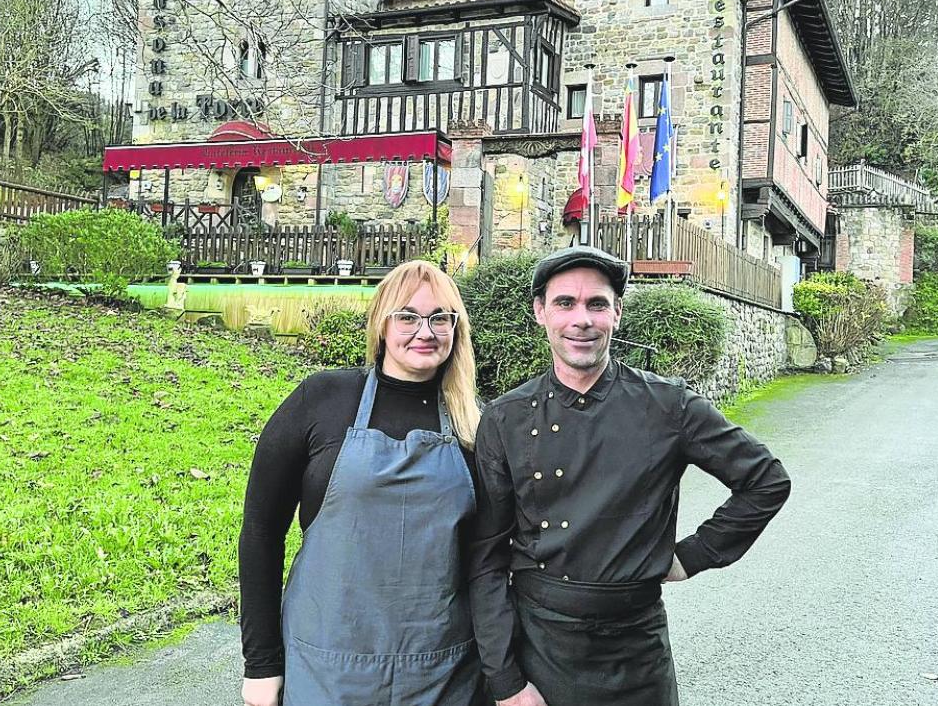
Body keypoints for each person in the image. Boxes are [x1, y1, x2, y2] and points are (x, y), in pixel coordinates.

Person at [468, 245, 792, 706]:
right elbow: (485, 557)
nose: (582, 319)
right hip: (541, 646)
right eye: (565, 303)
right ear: (540, 312)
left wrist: (694, 555)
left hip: (637, 652)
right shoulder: (506, 417)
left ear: (617, 314)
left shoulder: (668, 405)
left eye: (596, 304)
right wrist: (506, 681)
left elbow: (765, 480)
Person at [239, 260, 487, 706]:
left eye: (440, 317)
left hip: (444, 670)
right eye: (407, 316)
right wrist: (262, 664)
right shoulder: (322, 400)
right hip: (325, 667)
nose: (424, 331)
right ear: (381, 324)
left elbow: (491, 560)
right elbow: (260, 533)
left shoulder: (476, 428)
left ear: (457, 328)